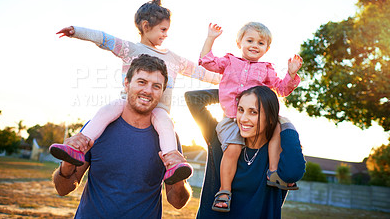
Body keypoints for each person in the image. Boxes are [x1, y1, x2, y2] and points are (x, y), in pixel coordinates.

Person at [49, 0, 220, 185]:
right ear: (146, 26)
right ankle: (79, 145)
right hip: (126, 105)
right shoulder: (130, 49)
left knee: (165, 124)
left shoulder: (174, 59)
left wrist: (230, 80)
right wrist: (76, 31)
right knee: (106, 111)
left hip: (159, 108)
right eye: (163, 30)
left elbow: (201, 73)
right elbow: (104, 38)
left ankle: (172, 161)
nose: (165, 35)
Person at [52, 54, 192, 218]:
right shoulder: (97, 128)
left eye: (156, 86)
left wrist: (179, 178)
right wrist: (67, 165)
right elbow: (63, 189)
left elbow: (177, 202)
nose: (147, 90)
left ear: (161, 92)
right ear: (126, 83)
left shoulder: (168, 140)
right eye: (142, 82)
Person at [198, 23, 303, 212]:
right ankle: (224, 191)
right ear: (239, 42)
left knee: (276, 130)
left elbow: (281, 89)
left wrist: (291, 74)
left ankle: (273, 173)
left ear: (267, 49)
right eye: (250, 40)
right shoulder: (230, 62)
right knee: (234, 148)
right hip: (232, 118)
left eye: (261, 43)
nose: (255, 45)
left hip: (256, 120)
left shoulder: (266, 69)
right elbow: (207, 61)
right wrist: (211, 38)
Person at [185, 87, 305, 218]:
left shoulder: (277, 153)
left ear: (271, 118)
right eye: (240, 110)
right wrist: (233, 90)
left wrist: (287, 124)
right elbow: (193, 98)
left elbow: (292, 174)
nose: (243, 119)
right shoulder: (222, 139)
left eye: (253, 112)